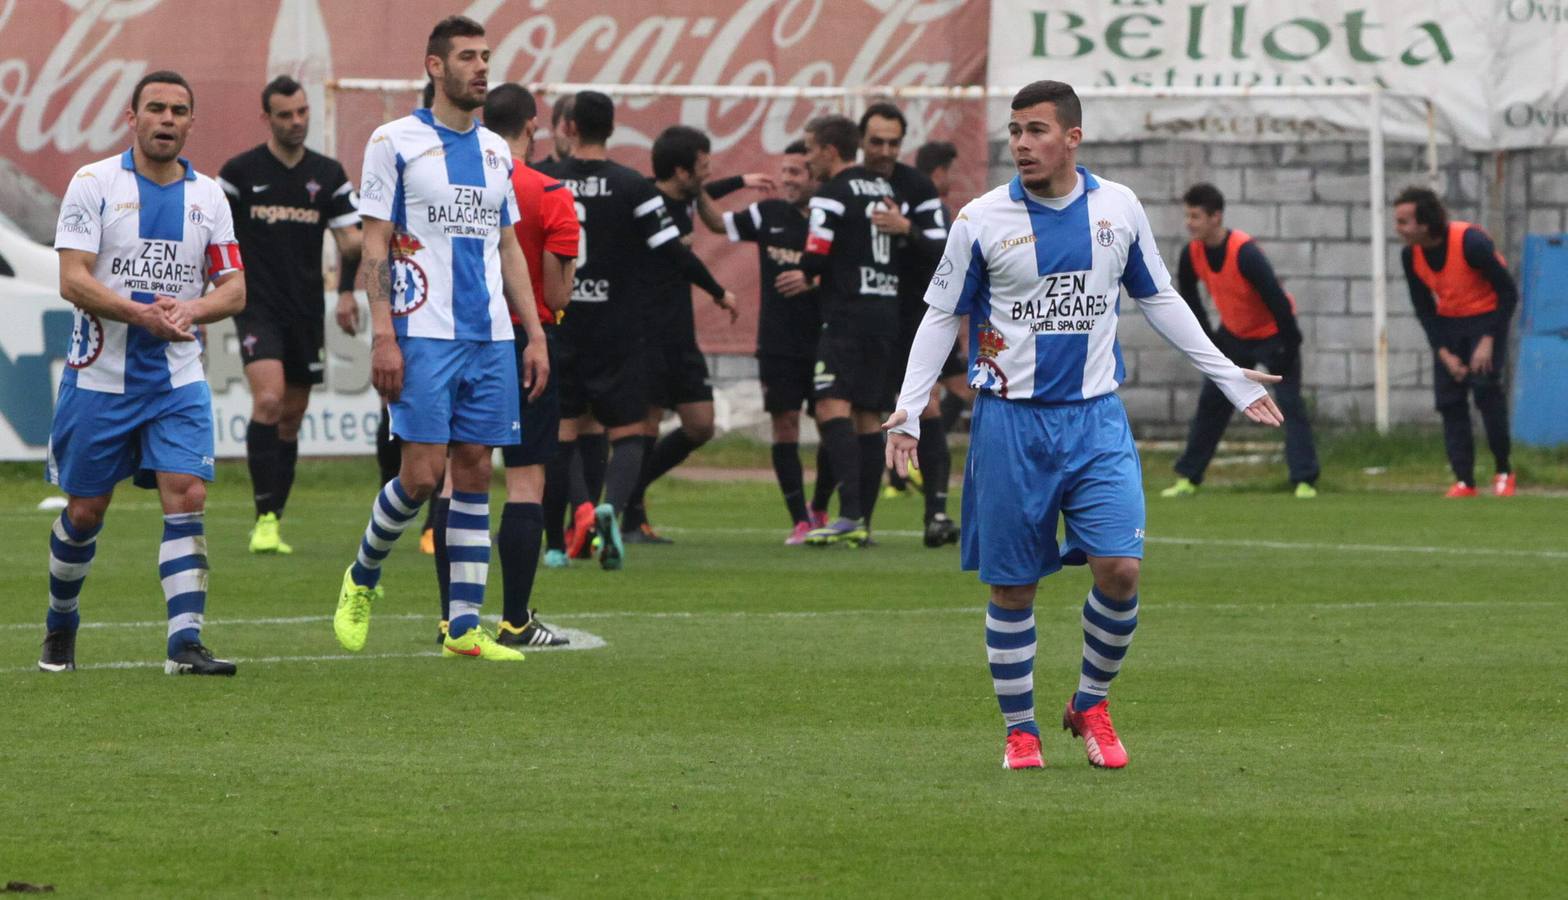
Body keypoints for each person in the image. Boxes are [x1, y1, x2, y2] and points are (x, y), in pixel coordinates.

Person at [884, 80, 1283, 770]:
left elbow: (1158, 297)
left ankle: (1091, 703)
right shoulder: (980, 219)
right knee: (1013, 586)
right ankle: (1021, 730)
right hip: (1010, 421)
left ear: (1073, 138)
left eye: (1037, 130)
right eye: (1014, 131)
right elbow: (942, 314)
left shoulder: (1118, 207)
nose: (1021, 144)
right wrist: (909, 408)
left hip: (1096, 419)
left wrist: (1226, 373)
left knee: (1121, 570)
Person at [332, 15, 549, 661]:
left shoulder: (493, 152)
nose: (482, 67)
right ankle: (363, 575)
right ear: (435, 67)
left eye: (486, 56)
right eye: (468, 57)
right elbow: (372, 243)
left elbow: (507, 246)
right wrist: (383, 336)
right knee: (423, 477)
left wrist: (532, 334)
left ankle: (462, 628)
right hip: (422, 331)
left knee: (478, 468)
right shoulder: (392, 140)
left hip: (490, 338)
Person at [42, 70, 247, 675]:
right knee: (85, 511)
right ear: (131, 118)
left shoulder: (209, 196)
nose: (166, 119)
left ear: (190, 122)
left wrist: (190, 309)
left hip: (177, 378)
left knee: (187, 495)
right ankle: (60, 623)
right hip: (99, 375)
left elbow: (233, 289)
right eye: (154, 108)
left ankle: (185, 644)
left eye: (178, 110)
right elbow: (72, 278)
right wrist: (140, 314)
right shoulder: (93, 183)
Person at [423, 84, 577, 647]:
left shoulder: (455, 178)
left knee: (456, 481)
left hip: (458, 336)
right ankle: (515, 619)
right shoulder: (550, 191)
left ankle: (452, 615)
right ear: (532, 126)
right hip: (524, 340)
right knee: (525, 481)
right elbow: (558, 292)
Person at [546, 91, 722, 569]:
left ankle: (574, 521)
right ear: (612, 128)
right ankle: (611, 507)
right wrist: (717, 290)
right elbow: (672, 250)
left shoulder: (547, 180)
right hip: (616, 327)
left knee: (564, 433)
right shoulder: (632, 186)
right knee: (626, 432)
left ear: (569, 128)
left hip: (560, 322)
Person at [219, 75, 363, 554]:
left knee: (291, 419)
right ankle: (262, 519)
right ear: (267, 118)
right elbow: (211, 237)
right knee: (269, 401)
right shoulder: (239, 173)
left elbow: (354, 241)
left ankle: (273, 518)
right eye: (286, 114)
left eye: (302, 112)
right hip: (256, 305)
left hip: (305, 310)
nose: (297, 122)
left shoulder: (328, 173)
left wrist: (345, 294)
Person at [619, 125, 751, 543]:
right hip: (647, 331)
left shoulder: (689, 199)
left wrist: (744, 182)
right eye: (702, 163)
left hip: (680, 333)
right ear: (680, 171)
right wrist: (719, 292)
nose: (708, 170)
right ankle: (629, 517)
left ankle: (624, 492)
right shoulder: (645, 202)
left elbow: (712, 193)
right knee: (646, 425)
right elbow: (680, 259)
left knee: (700, 425)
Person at [1161, 183, 1320, 499]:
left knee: (1288, 404)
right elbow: (1189, 300)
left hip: (1274, 335)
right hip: (1233, 335)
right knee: (1212, 402)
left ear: (1215, 217)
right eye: (1187, 215)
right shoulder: (1191, 253)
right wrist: (1209, 343)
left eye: (1195, 216)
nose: (1189, 223)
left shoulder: (1245, 253)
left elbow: (1277, 300)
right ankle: (1188, 478)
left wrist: (1291, 344)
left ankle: (1304, 480)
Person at [856, 103, 959, 548]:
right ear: (861, 140)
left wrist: (906, 228)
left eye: (893, 143)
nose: (884, 150)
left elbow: (943, 248)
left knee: (927, 408)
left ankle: (935, 511)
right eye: (876, 141)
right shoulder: (845, 186)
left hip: (909, 320)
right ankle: (854, 519)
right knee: (853, 415)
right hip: (856, 319)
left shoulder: (916, 187)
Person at [798, 114, 903, 547]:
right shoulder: (884, 189)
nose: (807, 160)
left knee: (830, 409)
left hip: (846, 315)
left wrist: (801, 270)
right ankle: (862, 524)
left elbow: (816, 256)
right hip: (885, 313)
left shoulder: (830, 195)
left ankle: (850, 514)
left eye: (809, 150)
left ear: (829, 150)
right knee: (866, 416)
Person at [720, 140, 825, 543]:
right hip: (778, 341)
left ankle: (820, 507)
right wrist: (731, 182)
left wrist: (813, 278)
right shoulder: (768, 213)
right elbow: (713, 221)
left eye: (796, 172)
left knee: (834, 423)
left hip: (825, 339)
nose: (787, 180)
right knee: (785, 425)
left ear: (815, 174)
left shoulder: (831, 215)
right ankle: (800, 519)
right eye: (784, 173)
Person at [1394, 187, 1518, 497]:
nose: (1398, 229)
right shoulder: (1411, 255)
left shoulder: (1471, 243)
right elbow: (1423, 308)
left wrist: (1489, 339)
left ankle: (1504, 470)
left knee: (1486, 394)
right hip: (1449, 325)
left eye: (1403, 221)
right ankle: (1464, 480)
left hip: (1486, 321)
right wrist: (1444, 352)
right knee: (1449, 402)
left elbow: (1508, 293)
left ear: (1425, 223)